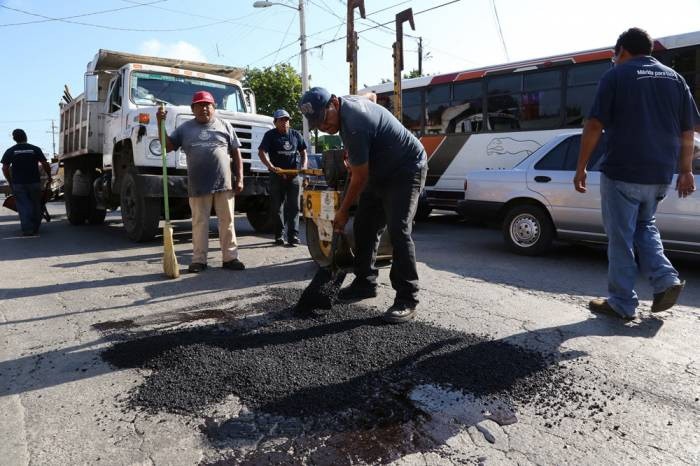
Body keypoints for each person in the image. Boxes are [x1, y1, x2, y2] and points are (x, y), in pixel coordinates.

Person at [573, 27, 699, 320]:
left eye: (614, 57)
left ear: (623, 52)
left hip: (622, 171)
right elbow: (688, 129)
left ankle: (621, 302)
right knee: (645, 227)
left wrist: (581, 167)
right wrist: (685, 170)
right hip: (659, 174)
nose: (614, 61)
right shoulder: (676, 79)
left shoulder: (616, 75)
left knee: (620, 238)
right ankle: (666, 280)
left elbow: (594, 125)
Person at [299, 87, 428, 324]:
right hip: (379, 169)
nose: (323, 127)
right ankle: (364, 283)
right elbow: (370, 95)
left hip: (406, 168)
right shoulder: (350, 104)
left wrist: (342, 211)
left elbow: (359, 178)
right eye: (316, 123)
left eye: (324, 119)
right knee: (364, 226)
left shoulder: (355, 123)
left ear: (334, 104)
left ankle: (407, 298)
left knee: (398, 229)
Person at [156, 90, 245, 273]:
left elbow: (236, 153)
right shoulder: (185, 128)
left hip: (224, 183)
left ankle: (230, 258)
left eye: (208, 105)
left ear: (214, 108)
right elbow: (168, 145)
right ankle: (199, 260)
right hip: (197, 185)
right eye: (200, 105)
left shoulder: (225, 125)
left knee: (227, 222)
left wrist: (240, 178)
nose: (204, 108)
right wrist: (160, 123)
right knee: (199, 223)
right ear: (193, 109)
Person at [257, 109, 307, 246]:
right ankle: (279, 235)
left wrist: (303, 166)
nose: (284, 122)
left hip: (294, 176)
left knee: (294, 207)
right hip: (276, 176)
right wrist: (271, 167)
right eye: (281, 120)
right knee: (277, 207)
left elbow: (303, 152)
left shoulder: (296, 135)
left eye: (286, 120)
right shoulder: (270, 135)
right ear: (275, 122)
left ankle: (293, 236)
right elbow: (261, 152)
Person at [1, 129, 51, 236]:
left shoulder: (10, 151)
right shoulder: (35, 149)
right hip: (34, 182)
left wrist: (10, 181)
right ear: (26, 137)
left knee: (23, 206)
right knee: (36, 204)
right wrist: (49, 176)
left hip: (18, 184)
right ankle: (35, 227)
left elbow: (5, 168)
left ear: (14, 139)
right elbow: (45, 164)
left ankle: (28, 229)